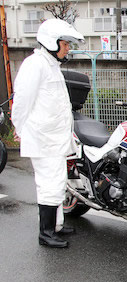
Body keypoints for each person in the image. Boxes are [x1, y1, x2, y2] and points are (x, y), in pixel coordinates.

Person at [11, 19, 84, 248]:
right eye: (65, 44)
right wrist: (19, 127)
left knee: (58, 182)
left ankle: (57, 226)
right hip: (43, 138)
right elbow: (22, 101)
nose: (68, 48)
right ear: (52, 43)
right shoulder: (35, 65)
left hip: (54, 138)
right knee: (49, 184)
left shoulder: (51, 65)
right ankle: (45, 233)